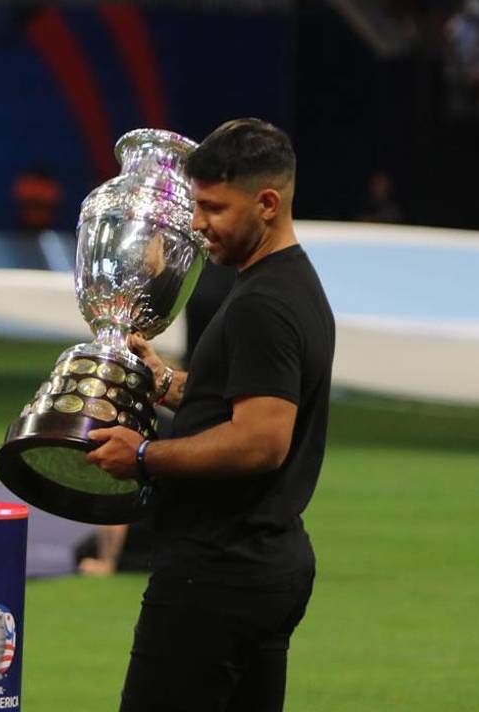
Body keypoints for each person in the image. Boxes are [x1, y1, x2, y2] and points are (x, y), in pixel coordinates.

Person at [85, 118, 335, 712]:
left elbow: (260, 441)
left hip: (217, 571)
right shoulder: (292, 285)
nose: (197, 225)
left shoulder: (264, 304)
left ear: (267, 203)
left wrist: (143, 456)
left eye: (214, 208)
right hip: (260, 564)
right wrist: (167, 384)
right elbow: (250, 397)